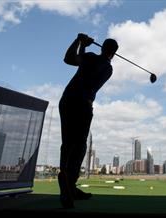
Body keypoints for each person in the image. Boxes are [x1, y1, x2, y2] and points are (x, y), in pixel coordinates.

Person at [58, 33, 118, 209]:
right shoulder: (108, 68)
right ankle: (69, 183)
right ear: (113, 53)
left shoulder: (91, 58)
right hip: (83, 105)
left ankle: (68, 182)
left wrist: (80, 42)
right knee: (79, 145)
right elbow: (79, 63)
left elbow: (69, 59)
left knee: (67, 143)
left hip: (67, 99)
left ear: (102, 48)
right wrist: (83, 45)